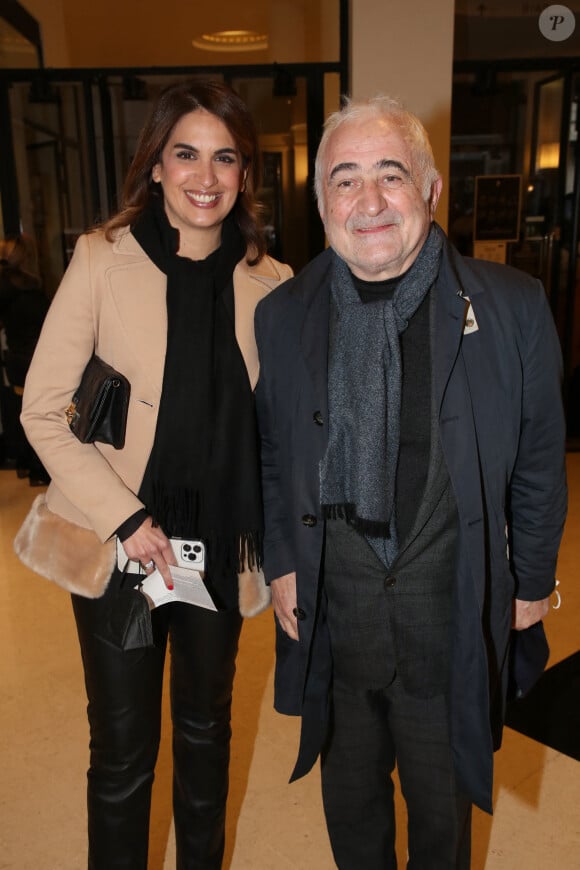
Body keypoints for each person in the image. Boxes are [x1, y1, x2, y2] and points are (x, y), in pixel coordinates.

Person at [254, 95, 567, 869]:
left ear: (428, 189)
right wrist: (283, 561)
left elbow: (536, 457)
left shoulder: (512, 306)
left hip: (448, 616)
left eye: (390, 175)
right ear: (322, 198)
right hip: (336, 612)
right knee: (351, 811)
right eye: (346, 179)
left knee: (442, 816)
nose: (368, 202)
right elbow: (272, 451)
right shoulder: (281, 313)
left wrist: (531, 579)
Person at [19, 79, 292, 869]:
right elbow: (41, 410)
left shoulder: (270, 282)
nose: (204, 177)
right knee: (124, 751)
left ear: (245, 174)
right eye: (186, 154)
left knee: (207, 738)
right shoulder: (103, 259)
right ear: (158, 166)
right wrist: (127, 520)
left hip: (215, 547)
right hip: (123, 548)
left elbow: (281, 430)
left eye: (225, 158)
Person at [0, 233, 50, 483]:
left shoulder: (4, 285)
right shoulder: (36, 284)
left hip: (19, 357)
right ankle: (38, 467)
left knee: (22, 410)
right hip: (39, 355)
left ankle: (29, 464)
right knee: (39, 411)